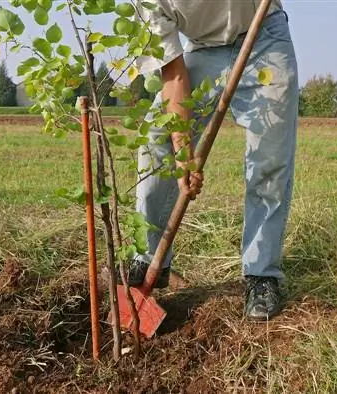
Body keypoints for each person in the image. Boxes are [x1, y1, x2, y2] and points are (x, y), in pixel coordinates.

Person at [118, 0, 299, 321]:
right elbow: (174, 76)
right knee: (157, 140)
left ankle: (261, 274)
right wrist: (184, 153)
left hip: (264, 39)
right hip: (201, 49)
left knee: (269, 156)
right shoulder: (146, 2)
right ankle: (150, 257)